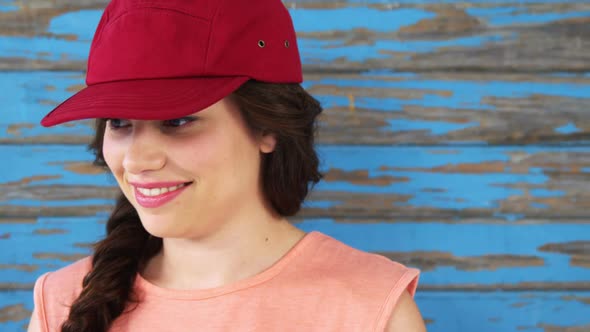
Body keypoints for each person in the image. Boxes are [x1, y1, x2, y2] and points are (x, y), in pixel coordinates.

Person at [27, 0, 426, 331]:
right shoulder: (61, 302)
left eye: (178, 121)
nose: (135, 159)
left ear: (268, 126)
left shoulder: (369, 307)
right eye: (119, 123)